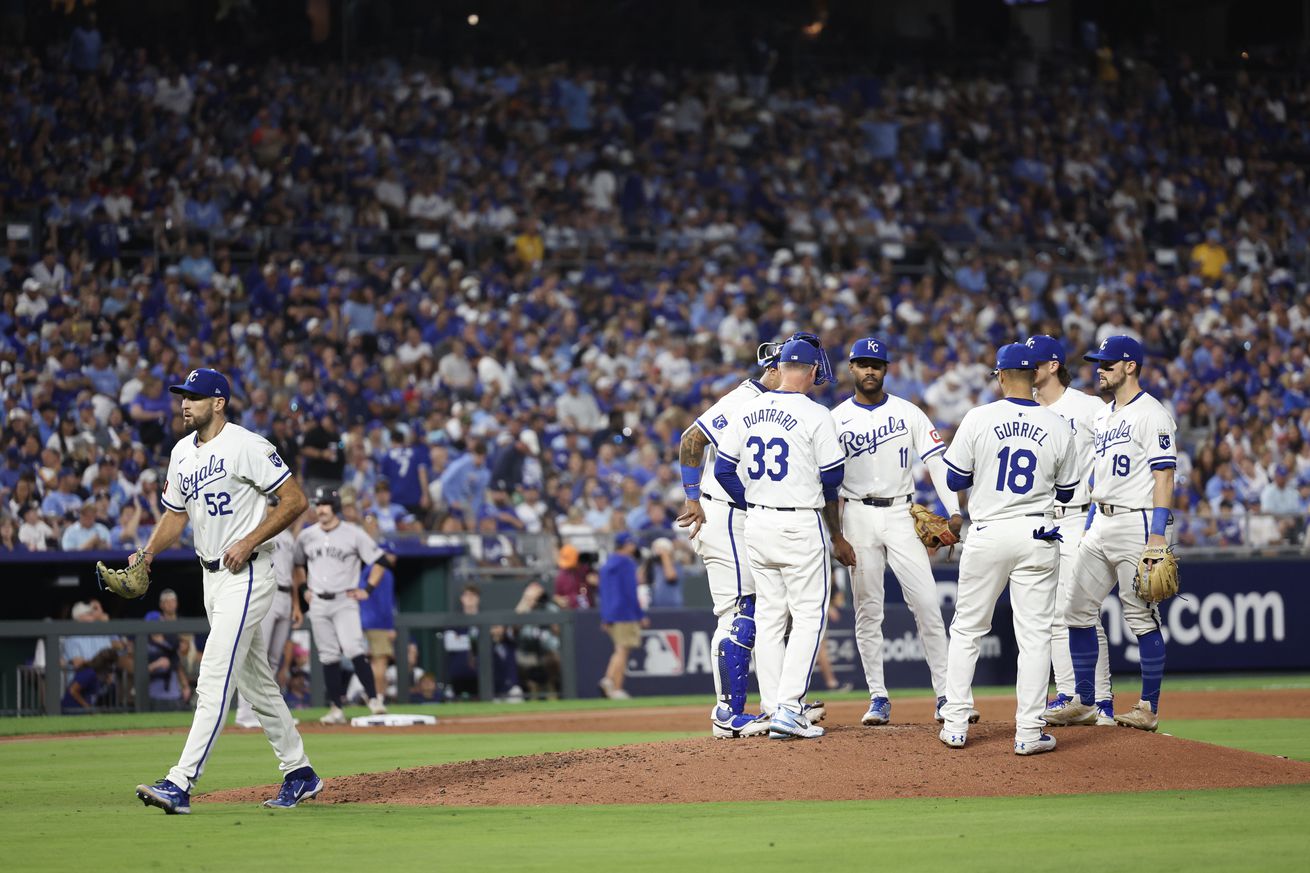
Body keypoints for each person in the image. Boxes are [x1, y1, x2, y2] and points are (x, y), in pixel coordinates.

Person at [134, 367, 320, 814]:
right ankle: (300, 772)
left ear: (218, 403)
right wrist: (147, 553)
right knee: (257, 684)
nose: (184, 403)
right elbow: (176, 515)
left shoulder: (246, 444)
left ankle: (180, 783)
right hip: (210, 577)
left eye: (194, 397)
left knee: (214, 676)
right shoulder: (181, 452)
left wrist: (250, 539)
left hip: (249, 572)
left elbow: (295, 499)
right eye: (183, 396)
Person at [713, 336, 857, 740]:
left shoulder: (749, 408)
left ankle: (774, 704)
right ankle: (790, 709)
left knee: (771, 617)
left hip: (757, 524)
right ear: (813, 371)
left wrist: (754, 501)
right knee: (809, 616)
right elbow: (832, 478)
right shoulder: (816, 414)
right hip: (798, 522)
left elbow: (724, 470)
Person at [938, 344, 1078, 755]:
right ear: (1034, 375)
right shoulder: (1056, 424)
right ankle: (1029, 733)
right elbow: (1068, 491)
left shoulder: (979, 417)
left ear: (1000, 376)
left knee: (967, 629)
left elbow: (954, 479)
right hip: (1037, 533)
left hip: (988, 531)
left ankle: (956, 724)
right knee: (1035, 638)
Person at [831, 337, 967, 727]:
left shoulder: (910, 413)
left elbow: (937, 463)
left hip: (901, 513)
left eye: (876, 363)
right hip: (856, 516)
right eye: (863, 363)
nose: (869, 369)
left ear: (886, 369)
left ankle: (946, 695)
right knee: (867, 609)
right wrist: (835, 533)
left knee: (926, 603)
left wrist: (954, 510)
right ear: (852, 369)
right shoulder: (836, 419)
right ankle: (878, 696)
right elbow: (823, 480)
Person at [1044, 336, 1178, 732]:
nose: (1099, 369)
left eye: (1107, 363)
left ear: (1130, 366)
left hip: (1136, 521)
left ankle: (1147, 707)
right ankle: (1085, 701)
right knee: (1075, 610)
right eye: (1098, 363)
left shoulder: (1152, 413)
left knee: (1139, 614)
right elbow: (1096, 476)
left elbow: (1164, 475)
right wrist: (1088, 525)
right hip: (1099, 520)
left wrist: (1157, 537)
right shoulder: (1103, 416)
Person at [674, 341, 782, 737]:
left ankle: (777, 704)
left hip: (739, 516)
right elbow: (690, 439)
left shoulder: (774, 406)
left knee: (760, 607)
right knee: (740, 611)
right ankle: (728, 713)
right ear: (775, 369)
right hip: (723, 514)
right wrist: (692, 496)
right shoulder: (746, 397)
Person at [1026, 335, 1115, 725]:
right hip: (1040, 518)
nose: (1028, 369)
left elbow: (1115, 450)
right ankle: (1070, 695)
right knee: (1050, 614)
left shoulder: (1087, 406)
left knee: (1080, 611)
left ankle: (1103, 701)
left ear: (1052, 365)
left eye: (1035, 362)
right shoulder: (1024, 408)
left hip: (1079, 515)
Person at [295, 487, 393, 724]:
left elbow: (381, 561)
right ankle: (336, 708)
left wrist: (367, 589)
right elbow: (297, 564)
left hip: (344, 599)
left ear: (335, 507)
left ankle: (373, 699)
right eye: (318, 504)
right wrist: (302, 591)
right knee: (328, 656)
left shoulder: (353, 533)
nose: (320, 509)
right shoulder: (307, 536)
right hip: (318, 600)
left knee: (353, 648)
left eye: (325, 504)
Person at [234, 494, 301, 729]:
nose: (274, 508)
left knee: (272, 660)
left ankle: (269, 715)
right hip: (267, 593)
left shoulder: (289, 536)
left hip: (285, 596)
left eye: (276, 504)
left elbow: (293, 574)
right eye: (271, 504)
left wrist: (296, 604)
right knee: (255, 657)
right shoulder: (256, 529)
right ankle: (244, 714)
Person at [597, 532, 646, 699]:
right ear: (625, 545)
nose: (633, 547)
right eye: (631, 544)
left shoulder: (607, 563)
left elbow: (603, 593)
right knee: (622, 650)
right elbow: (630, 591)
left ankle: (613, 685)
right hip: (625, 611)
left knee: (620, 649)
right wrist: (640, 614)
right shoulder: (626, 563)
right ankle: (612, 683)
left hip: (611, 612)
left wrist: (605, 616)